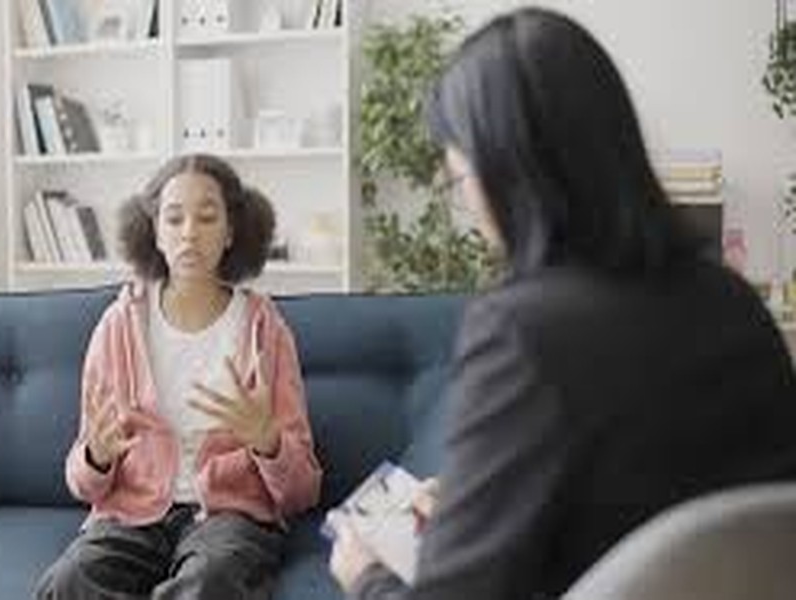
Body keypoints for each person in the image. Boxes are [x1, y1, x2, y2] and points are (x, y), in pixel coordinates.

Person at [329, 7, 796, 600]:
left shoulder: (522, 333)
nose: (471, 210)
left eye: (461, 181)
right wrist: (485, 499)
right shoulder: (734, 302)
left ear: (505, 173)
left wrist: (365, 575)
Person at [36, 153, 322, 600]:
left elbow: (302, 491)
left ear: (231, 231)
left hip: (229, 518)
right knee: (68, 582)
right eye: (174, 218)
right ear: (154, 230)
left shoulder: (264, 330)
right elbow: (82, 483)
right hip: (133, 516)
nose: (189, 232)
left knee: (211, 580)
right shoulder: (118, 326)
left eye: (207, 218)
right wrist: (96, 456)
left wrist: (267, 441)